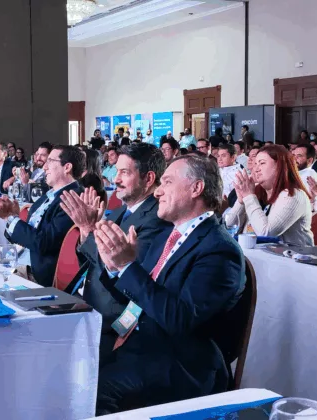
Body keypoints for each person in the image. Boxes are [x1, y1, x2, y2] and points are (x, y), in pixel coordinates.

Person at [91, 153, 244, 414]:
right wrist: (115, 268)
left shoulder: (219, 251)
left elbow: (180, 319)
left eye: (168, 182)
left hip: (180, 363)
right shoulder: (167, 236)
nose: (158, 191)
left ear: (196, 188)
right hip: (138, 341)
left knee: (93, 390)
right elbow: (139, 296)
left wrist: (128, 267)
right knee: (70, 363)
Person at [61, 144, 170, 358]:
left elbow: (122, 273)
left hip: (113, 320)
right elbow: (91, 261)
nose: (115, 179)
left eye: (124, 172)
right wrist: (86, 232)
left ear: (149, 178)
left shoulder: (157, 218)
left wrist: (88, 229)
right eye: (116, 171)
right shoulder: (120, 211)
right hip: (84, 301)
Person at [0, 146, 85, 286]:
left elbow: (43, 243)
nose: (45, 167)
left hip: (35, 274)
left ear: (67, 167)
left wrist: (10, 218)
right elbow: (30, 235)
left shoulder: (72, 199)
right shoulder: (50, 195)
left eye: (50, 161)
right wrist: (14, 216)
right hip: (18, 263)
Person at [226, 144, 314, 246]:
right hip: (255, 254)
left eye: (262, 163)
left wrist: (249, 197)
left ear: (279, 166)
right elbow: (229, 228)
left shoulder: (294, 195)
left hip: (292, 255)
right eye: (255, 164)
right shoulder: (257, 192)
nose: (256, 169)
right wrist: (241, 201)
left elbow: (266, 233)